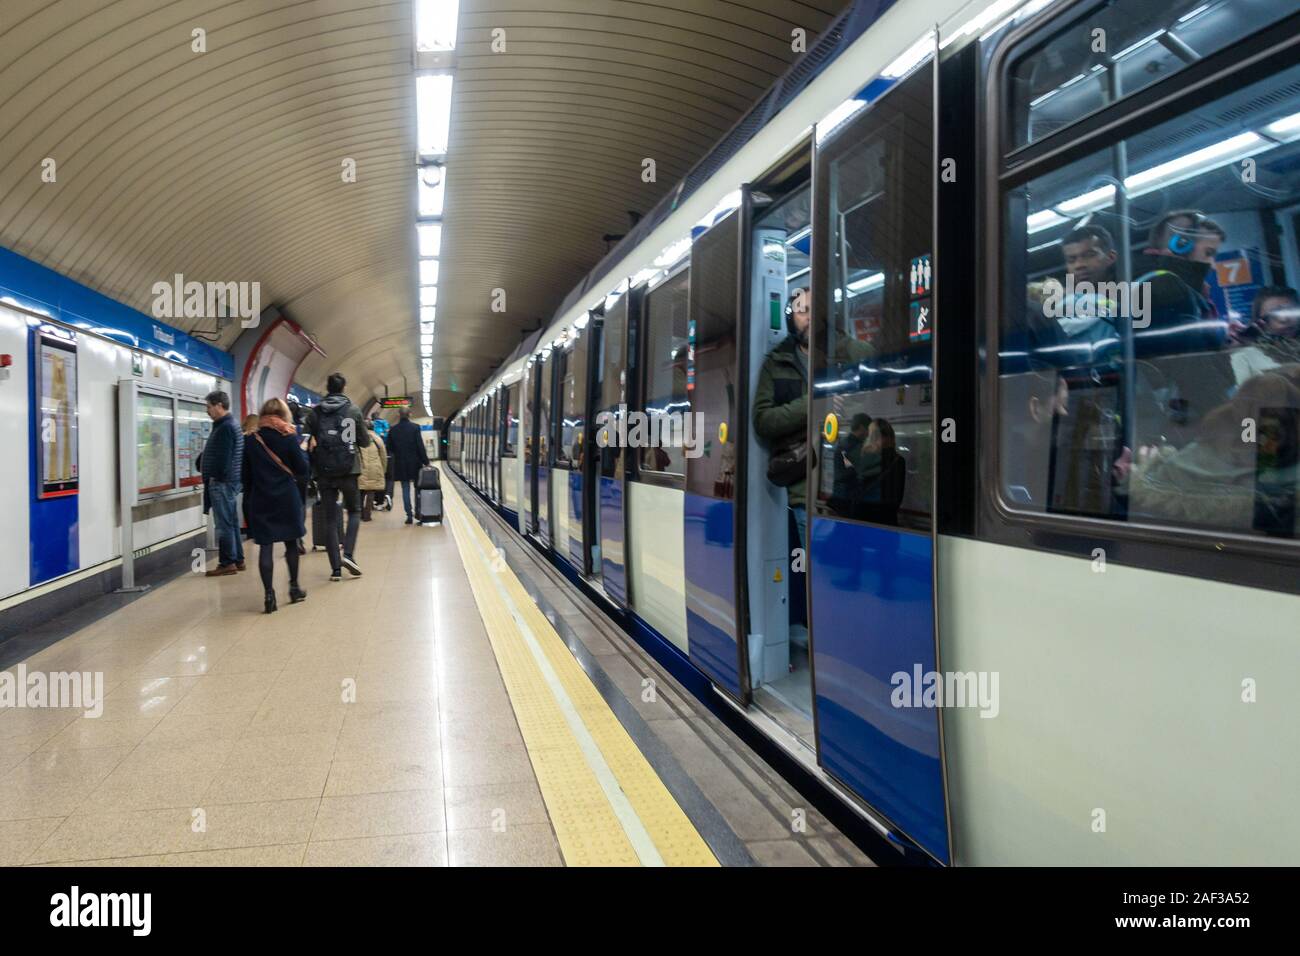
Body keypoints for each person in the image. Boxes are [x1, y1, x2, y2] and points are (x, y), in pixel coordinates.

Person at [242, 397, 310, 613]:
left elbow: (245, 476)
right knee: (291, 544)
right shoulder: (289, 437)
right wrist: (303, 451)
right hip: (287, 499)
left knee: (266, 547)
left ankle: (269, 596)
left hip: (261, 499)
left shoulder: (252, 440)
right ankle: (294, 588)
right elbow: (302, 469)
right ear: (283, 414)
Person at [304, 372, 370, 580]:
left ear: (328, 388)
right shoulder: (352, 410)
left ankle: (335, 570)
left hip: (324, 471)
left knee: (330, 519)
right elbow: (365, 442)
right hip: (349, 469)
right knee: (355, 511)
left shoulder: (315, 413)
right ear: (343, 388)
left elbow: (306, 441)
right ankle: (348, 554)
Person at [200, 390, 245, 576]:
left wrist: (214, 475)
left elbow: (224, 458)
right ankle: (238, 559)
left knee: (224, 524)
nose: (207, 411)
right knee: (232, 522)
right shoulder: (229, 424)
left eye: (209, 407)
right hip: (229, 482)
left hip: (222, 482)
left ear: (219, 405)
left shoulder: (225, 427)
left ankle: (227, 562)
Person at [386, 406, 430, 524]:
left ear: (399, 415)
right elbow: (420, 446)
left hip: (400, 464)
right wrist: (426, 461)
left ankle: (409, 515)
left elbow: (389, 448)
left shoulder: (393, 430)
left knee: (405, 488)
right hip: (415, 463)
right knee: (418, 488)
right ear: (410, 414)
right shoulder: (415, 428)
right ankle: (418, 512)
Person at [859, 418, 907, 526]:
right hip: (888, 521)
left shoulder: (867, 458)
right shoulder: (899, 460)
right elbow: (897, 499)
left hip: (864, 520)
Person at [358, 419, 389, 521]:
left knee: (361, 492)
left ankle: (360, 513)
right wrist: (383, 469)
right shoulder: (377, 439)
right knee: (371, 491)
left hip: (361, 467)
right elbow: (383, 456)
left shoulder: (358, 438)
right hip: (375, 468)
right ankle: (367, 515)